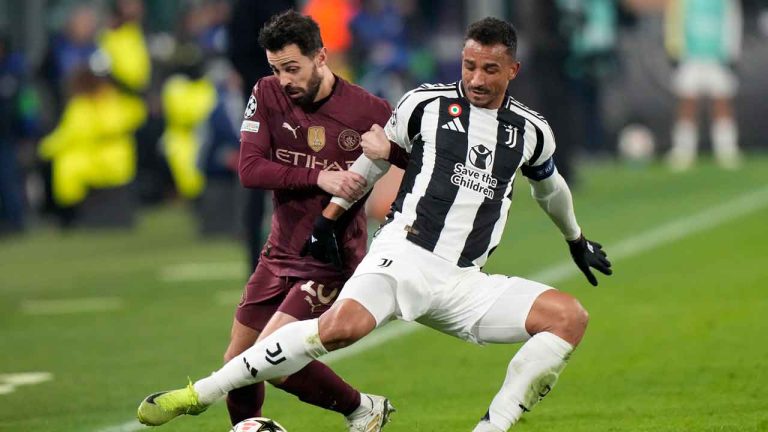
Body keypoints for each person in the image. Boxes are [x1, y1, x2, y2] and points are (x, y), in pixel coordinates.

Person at [137, 17, 612, 432]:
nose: (477, 79)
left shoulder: (531, 130)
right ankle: (200, 394)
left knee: (568, 318)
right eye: (469, 66)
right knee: (340, 328)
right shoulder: (425, 104)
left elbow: (550, 188)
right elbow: (372, 160)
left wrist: (576, 238)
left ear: (512, 70)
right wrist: (328, 219)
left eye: (490, 69)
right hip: (403, 253)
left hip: (465, 281)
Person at [137, 10, 396, 431]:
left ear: (322, 57)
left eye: (293, 68)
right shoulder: (267, 92)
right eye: (277, 69)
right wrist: (320, 176)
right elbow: (250, 169)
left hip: (328, 256)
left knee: (269, 360)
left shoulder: (368, 109)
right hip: (277, 253)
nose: (285, 80)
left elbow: (413, 161)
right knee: (237, 361)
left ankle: (362, 409)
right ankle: (256, 426)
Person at [664, 0, 743, 171]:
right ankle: (683, 150)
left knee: (721, 102)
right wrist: (675, 50)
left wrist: (731, 52)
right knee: (687, 102)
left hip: (717, 56)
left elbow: (733, 21)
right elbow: (674, 21)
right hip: (690, 56)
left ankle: (727, 149)